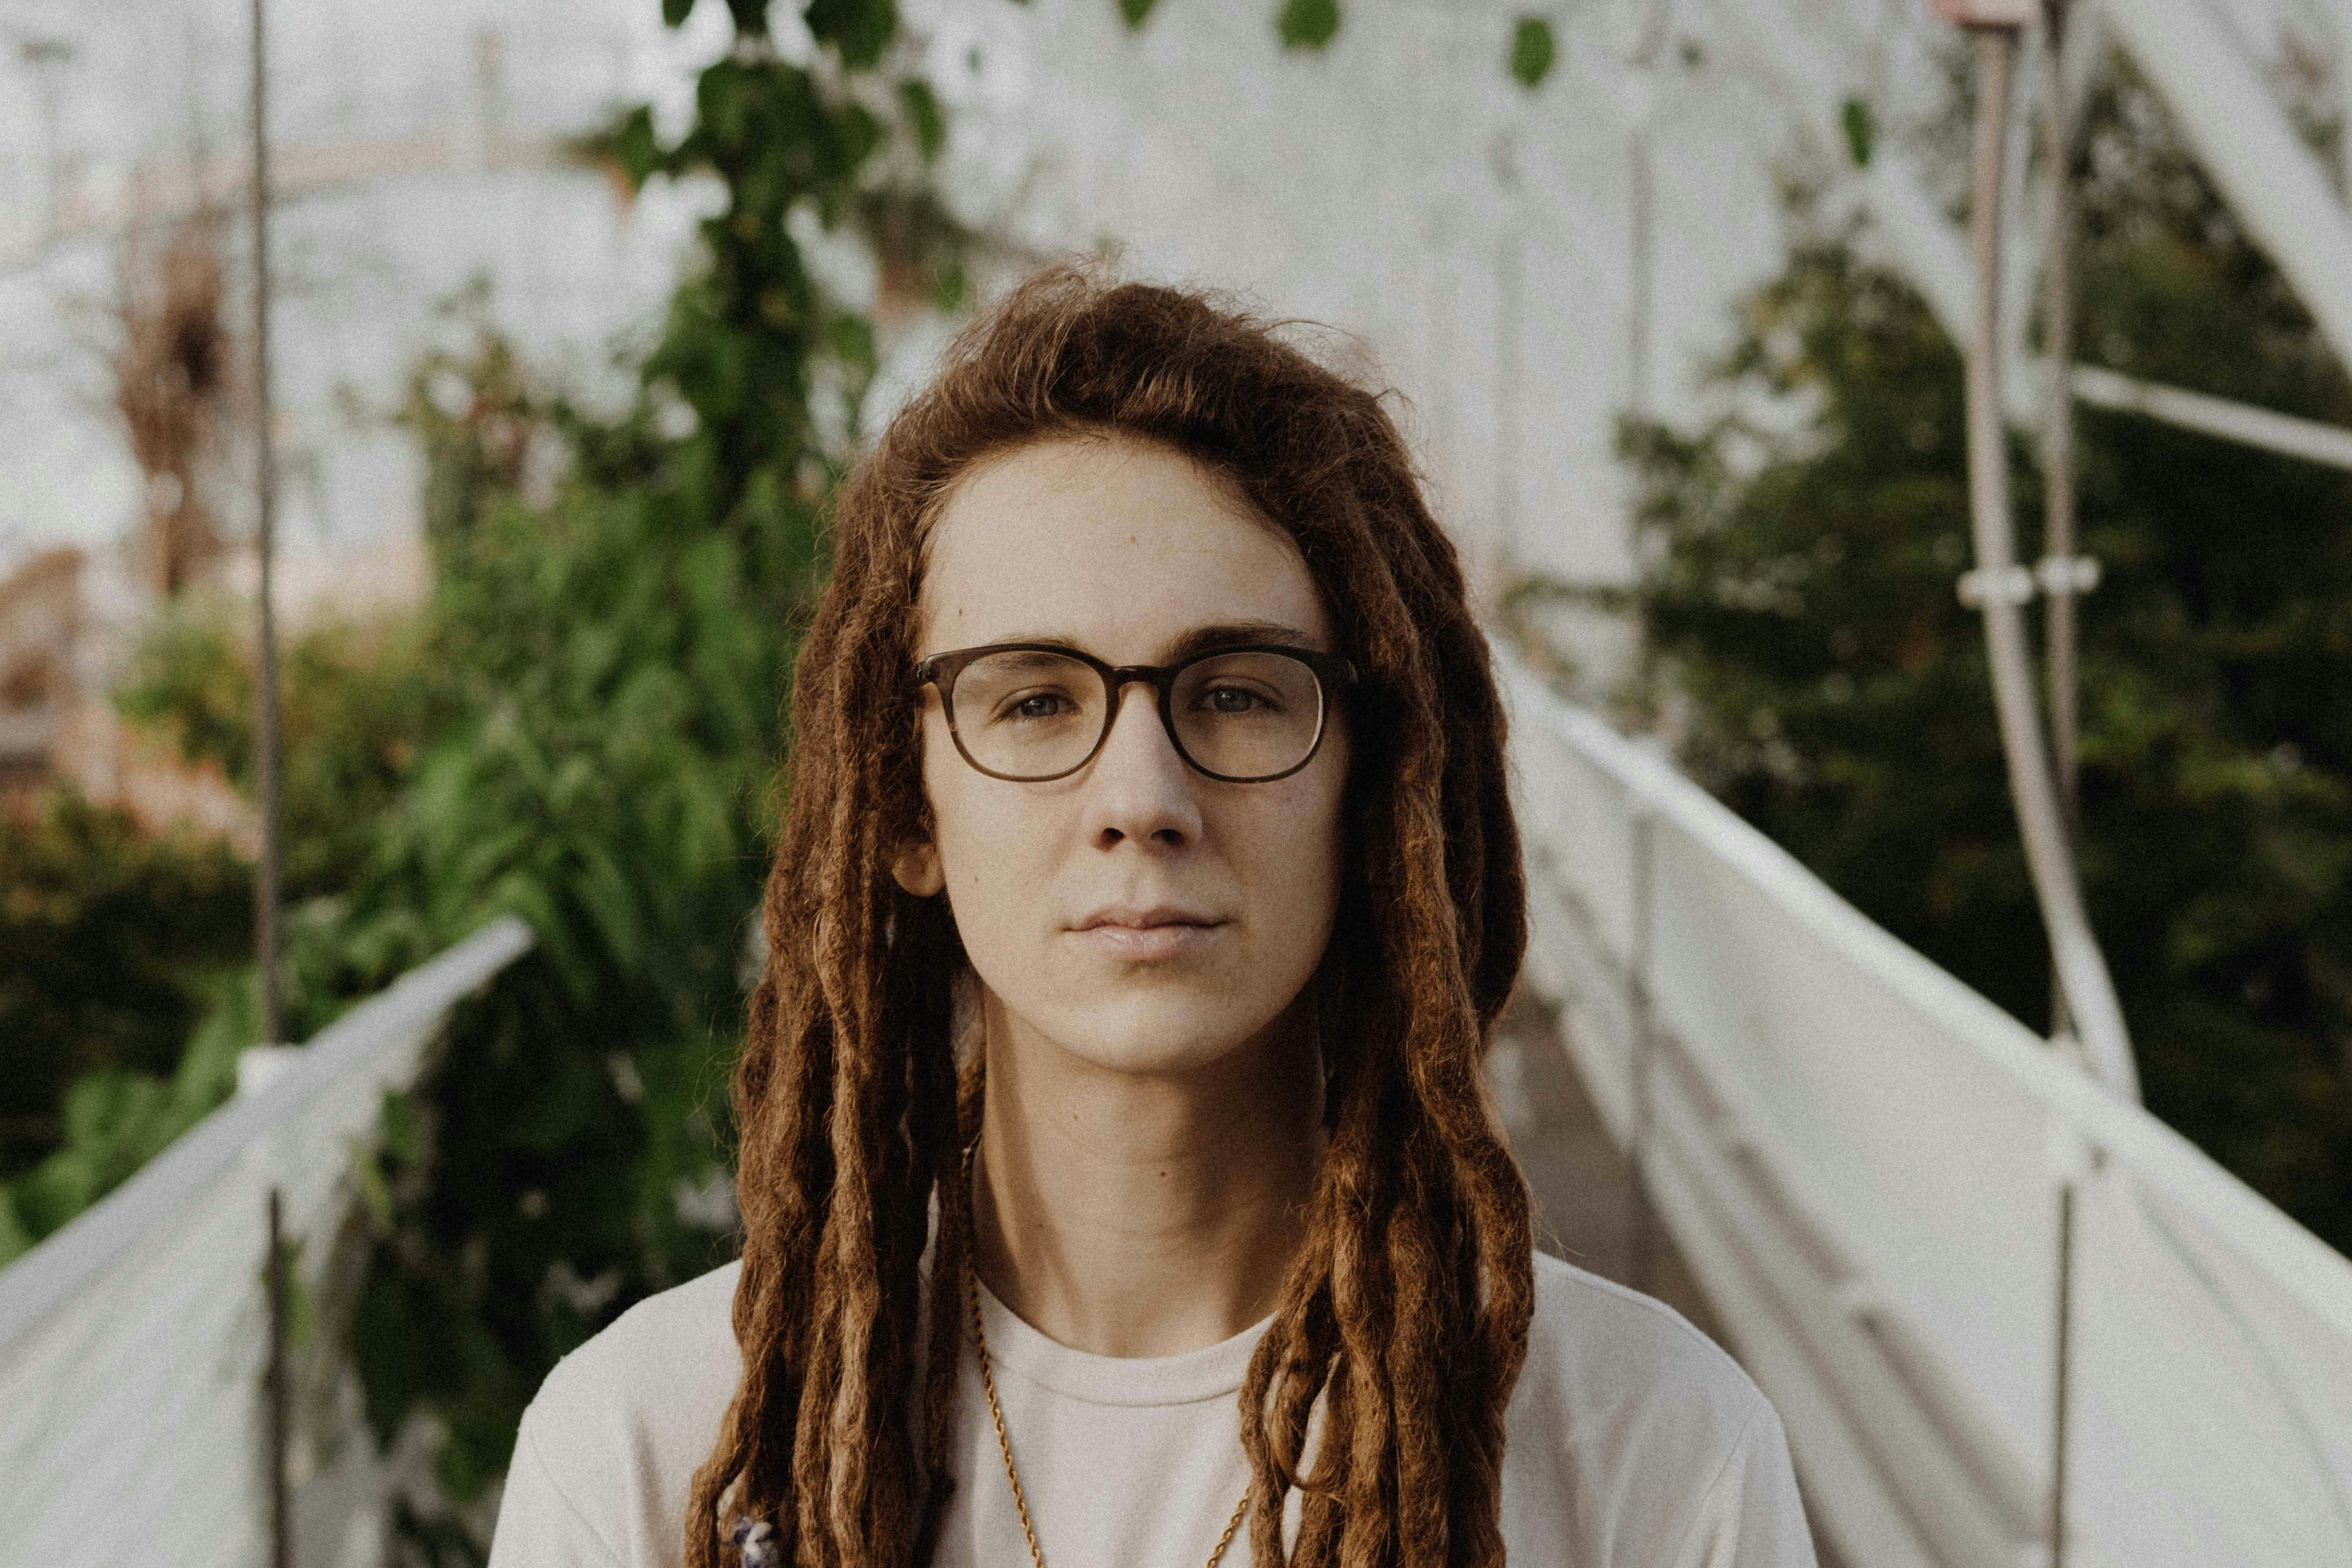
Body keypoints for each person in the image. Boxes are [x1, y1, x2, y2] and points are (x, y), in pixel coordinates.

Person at [487, 266, 1817, 1568]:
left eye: (1238, 692)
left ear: (1378, 791)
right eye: (1033, 700)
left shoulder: (1651, 1455)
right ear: (905, 808)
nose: (1143, 797)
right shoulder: (648, 1450)